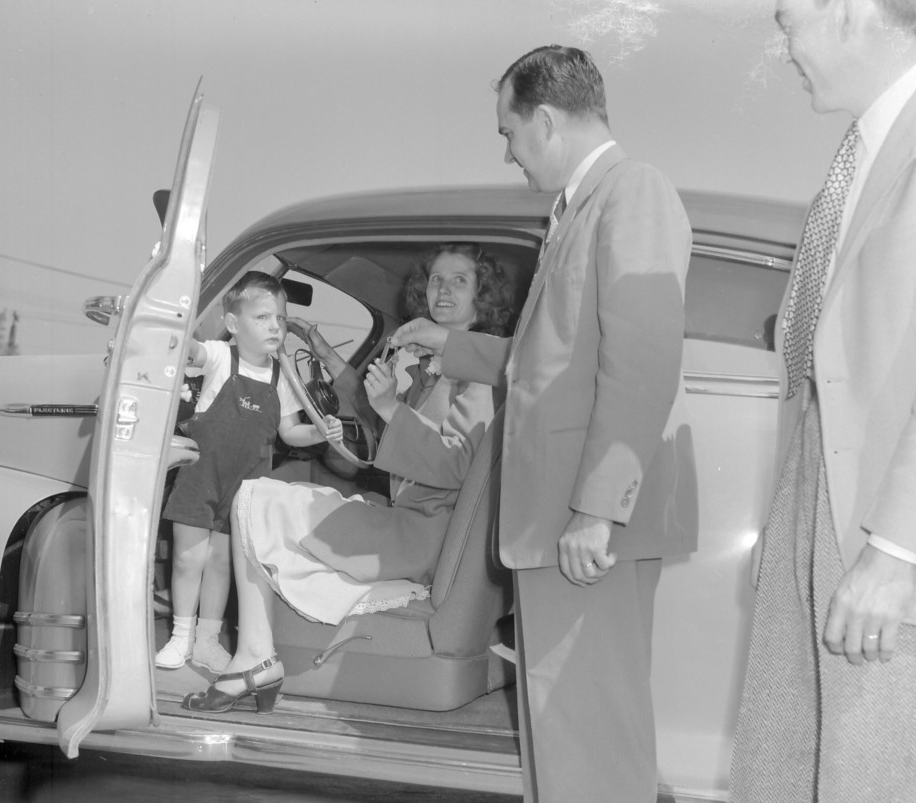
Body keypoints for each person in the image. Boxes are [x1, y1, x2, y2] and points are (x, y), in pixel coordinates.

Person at [391, 47, 696, 802]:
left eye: (510, 132)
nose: (509, 153)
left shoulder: (632, 193)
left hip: (581, 520)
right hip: (557, 520)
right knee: (564, 742)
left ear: (548, 121)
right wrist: (448, 344)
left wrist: (598, 509)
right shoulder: (579, 210)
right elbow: (548, 363)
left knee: (590, 745)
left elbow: (642, 360)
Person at [181, 243, 513, 714]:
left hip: (424, 536)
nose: (443, 289)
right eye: (436, 279)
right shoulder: (434, 371)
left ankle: (254, 657)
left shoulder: (478, 377)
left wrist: (392, 407)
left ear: (483, 295)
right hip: (413, 525)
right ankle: (256, 654)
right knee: (273, 498)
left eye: (460, 280)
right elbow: (384, 429)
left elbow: (457, 466)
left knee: (254, 497)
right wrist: (328, 359)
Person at [729, 2, 916, 799]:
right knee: (789, 767)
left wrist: (900, 551)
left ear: (847, 11)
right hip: (821, 507)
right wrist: (792, 531)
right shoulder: (861, 157)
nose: (781, 48)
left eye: (787, 20)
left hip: (882, 532)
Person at [157, 271, 342, 673]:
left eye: (280, 318)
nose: (275, 326)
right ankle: (180, 635)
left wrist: (321, 432)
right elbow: (190, 350)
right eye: (262, 317)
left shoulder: (282, 376)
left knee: (221, 563)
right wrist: (173, 319)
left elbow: (291, 432)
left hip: (246, 490)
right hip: (201, 476)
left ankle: (207, 640)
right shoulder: (220, 356)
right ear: (233, 324)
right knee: (189, 558)